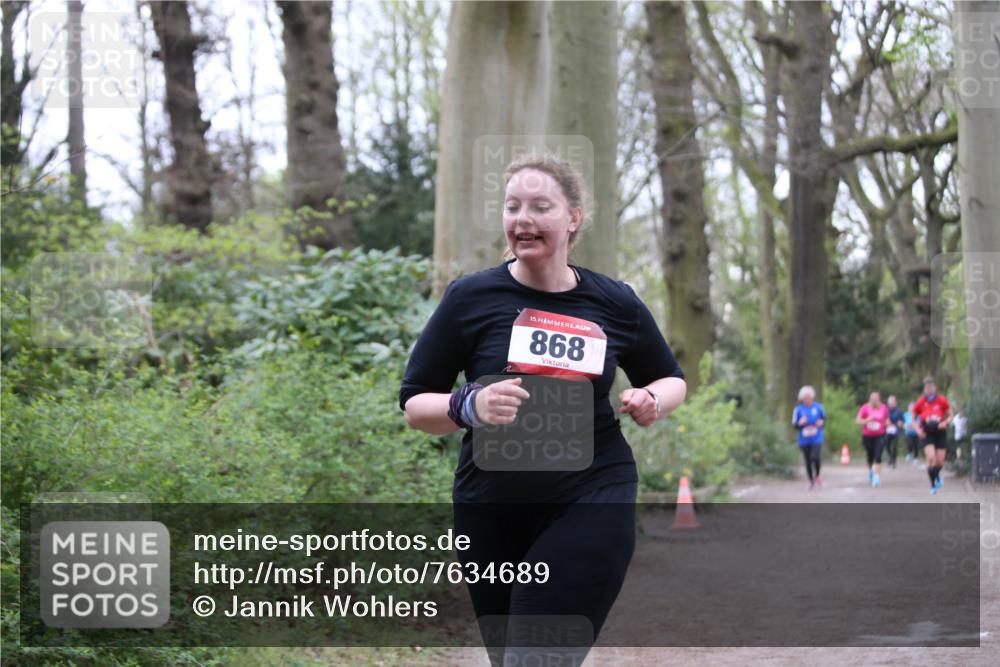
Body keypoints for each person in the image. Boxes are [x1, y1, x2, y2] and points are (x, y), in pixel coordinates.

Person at [399, 154, 687, 664]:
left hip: (592, 490)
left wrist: (652, 399)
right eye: (512, 207)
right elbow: (415, 404)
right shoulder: (471, 298)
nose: (522, 220)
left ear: (573, 217)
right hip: (491, 506)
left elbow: (670, 379)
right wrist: (470, 404)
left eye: (539, 206)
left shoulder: (614, 302)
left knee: (536, 653)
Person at [913, 376, 953, 495]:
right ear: (924, 389)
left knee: (940, 462)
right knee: (931, 459)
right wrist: (917, 430)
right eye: (927, 387)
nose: (929, 389)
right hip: (927, 433)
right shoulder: (920, 402)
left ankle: (937, 476)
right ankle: (933, 484)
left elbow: (950, 414)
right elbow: (913, 419)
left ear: (934, 387)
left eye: (931, 387)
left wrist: (945, 422)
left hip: (940, 432)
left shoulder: (941, 400)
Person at [792, 385, 826, 490]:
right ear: (801, 398)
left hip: (816, 437)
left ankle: (818, 475)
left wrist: (821, 423)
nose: (807, 399)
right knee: (807, 459)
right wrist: (800, 423)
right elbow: (794, 425)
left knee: (815, 457)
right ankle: (811, 480)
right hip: (804, 438)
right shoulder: (798, 409)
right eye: (805, 397)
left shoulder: (819, 407)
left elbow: (823, 420)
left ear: (812, 397)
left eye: (809, 397)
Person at [856, 391, 889, 487]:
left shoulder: (883, 408)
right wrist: (866, 420)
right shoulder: (865, 408)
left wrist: (887, 423)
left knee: (878, 456)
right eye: (872, 399)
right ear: (869, 399)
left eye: (876, 399)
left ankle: (877, 477)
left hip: (880, 435)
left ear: (879, 399)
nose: (874, 400)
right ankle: (870, 470)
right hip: (867, 436)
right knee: (870, 456)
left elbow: (887, 419)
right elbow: (857, 420)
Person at [885, 395, 904, 469]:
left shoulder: (899, 411)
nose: (891, 404)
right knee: (887, 445)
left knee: (894, 447)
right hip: (887, 431)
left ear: (896, 402)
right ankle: (890, 457)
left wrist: (900, 423)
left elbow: (902, 421)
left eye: (893, 402)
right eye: (890, 402)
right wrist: (886, 422)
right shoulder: (885, 410)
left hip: (895, 431)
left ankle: (894, 460)